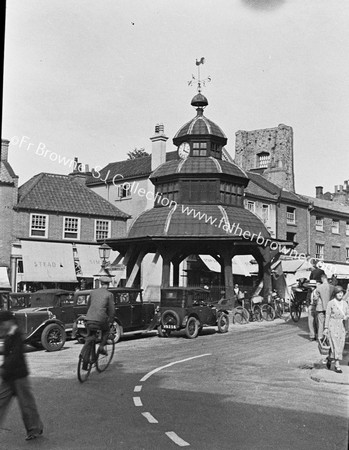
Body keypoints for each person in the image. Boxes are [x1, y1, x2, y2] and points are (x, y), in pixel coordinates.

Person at [0, 311, 43, 441]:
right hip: (9, 376)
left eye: (2, 323)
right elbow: (8, 352)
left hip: (19, 376)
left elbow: (15, 356)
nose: (1, 325)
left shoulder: (17, 334)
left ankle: (34, 429)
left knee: (27, 405)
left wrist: (3, 368)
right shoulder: (8, 334)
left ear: (10, 322)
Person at [85, 276, 115, 355]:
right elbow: (112, 310)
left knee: (91, 335)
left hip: (89, 318)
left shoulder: (93, 292)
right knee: (106, 331)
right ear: (108, 284)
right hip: (100, 320)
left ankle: (87, 356)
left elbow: (88, 306)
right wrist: (111, 321)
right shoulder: (109, 294)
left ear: (101, 283)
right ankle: (101, 347)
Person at [324, 285, 349, 373]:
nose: (340, 294)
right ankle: (337, 365)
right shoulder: (331, 303)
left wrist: (346, 317)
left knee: (340, 345)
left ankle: (330, 359)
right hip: (332, 325)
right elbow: (327, 315)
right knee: (334, 345)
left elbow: (347, 313)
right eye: (338, 293)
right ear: (335, 294)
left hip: (341, 326)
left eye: (341, 293)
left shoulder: (345, 303)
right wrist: (326, 328)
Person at [314, 274, 334, 340]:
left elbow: (315, 298)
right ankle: (328, 338)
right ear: (327, 278)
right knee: (329, 322)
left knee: (321, 323)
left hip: (320, 307)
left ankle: (320, 337)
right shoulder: (332, 287)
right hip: (330, 307)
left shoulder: (318, 287)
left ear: (322, 278)